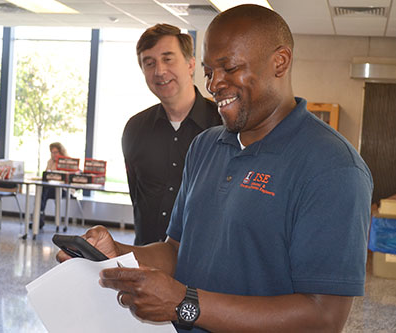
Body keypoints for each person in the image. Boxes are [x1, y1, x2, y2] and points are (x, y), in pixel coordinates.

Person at [58, 5, 373, 332]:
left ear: (280, 61)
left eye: (229, 67)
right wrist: (116, 254)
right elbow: (177, 251)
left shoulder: (333, 167)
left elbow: (323, 318)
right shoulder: (205, 146)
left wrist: (185, 303)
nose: (214, 84)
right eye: (209, 72)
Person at [122, 24, 222, 245]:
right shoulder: (135, 129)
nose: (159, 71)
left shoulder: (222, 125)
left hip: (202, 268)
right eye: (149, 63)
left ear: (190, 64)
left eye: (168, 59)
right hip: (146, 262)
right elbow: (137, 197)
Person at [34, 142, 68, 229]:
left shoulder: (67, 162)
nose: (54, 155)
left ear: (61, 152)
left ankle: (39, 216)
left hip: (63, 190)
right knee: (41, 191)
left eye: (56, 152)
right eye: (52, 152)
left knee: (43, 193)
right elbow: (46, 176)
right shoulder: (50, 162)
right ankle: (39, 216)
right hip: (50, 188)